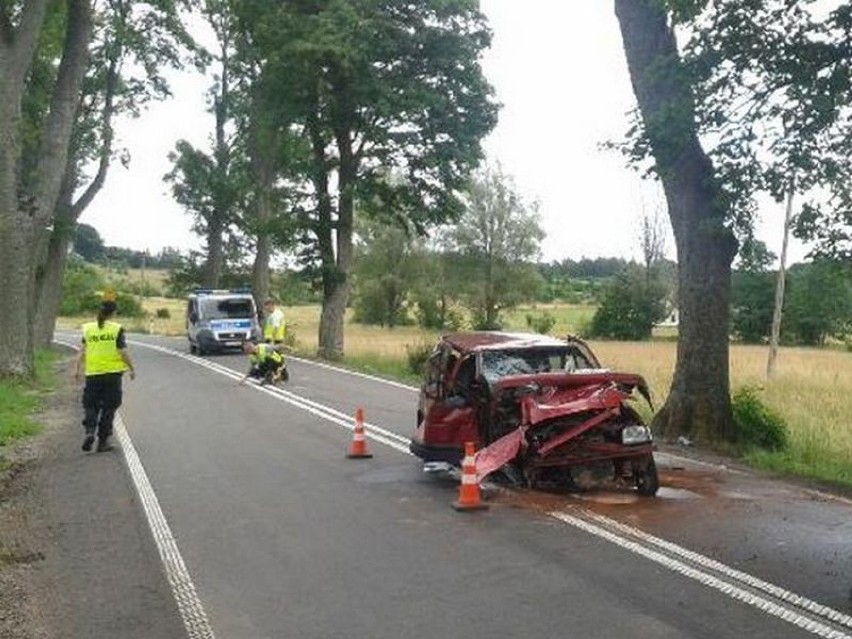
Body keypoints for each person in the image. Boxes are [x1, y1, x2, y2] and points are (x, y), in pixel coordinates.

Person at [73, 299, 136, 452]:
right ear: (114, 313)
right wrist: (131, 368)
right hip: (112, 374)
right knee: (110, 406)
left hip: (93, 374)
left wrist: (76, 369)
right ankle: (103, 440)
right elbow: (122, 352)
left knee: (90, 404)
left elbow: (82, 350)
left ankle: (89, 431)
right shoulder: (116, 329)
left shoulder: (88, 329)